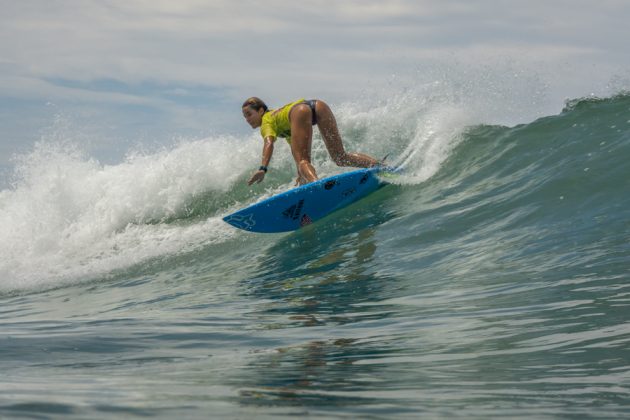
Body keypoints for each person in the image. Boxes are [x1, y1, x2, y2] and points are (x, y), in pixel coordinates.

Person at [242, 97, 379, 186]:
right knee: (340, 157)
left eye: (249, 114)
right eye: (244, 116)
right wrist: (300, 176)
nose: (247, 119)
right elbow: (298, 153)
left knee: (304, 161)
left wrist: (263, 168)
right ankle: (380, 166)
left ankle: (317, 188)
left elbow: (269, 143)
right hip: (318, 105)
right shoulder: (278, 118)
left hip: (299, 111)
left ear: (261, 111)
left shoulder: (267, 120)